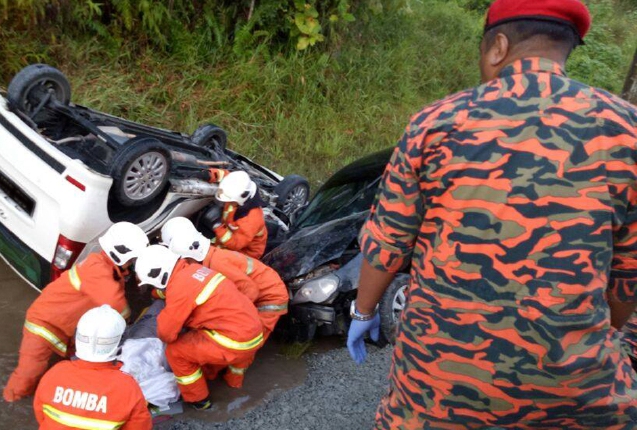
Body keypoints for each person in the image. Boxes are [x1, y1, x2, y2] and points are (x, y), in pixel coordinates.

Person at [346, 0, 637, 427]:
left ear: (498, 47)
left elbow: (387, 242)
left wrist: (364, 312)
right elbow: (626, 278)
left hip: (437, 390)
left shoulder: (435, 123)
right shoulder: (626, 129)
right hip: (578, 398)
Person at [3, 222, 149, 402]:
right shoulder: (99, 270)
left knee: (59, 366)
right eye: (133, 258)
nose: (133, 262)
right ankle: (12, 397)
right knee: (30, 371)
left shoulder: (107, 269)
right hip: (44, 324)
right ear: (121, 255)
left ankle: (38, 391)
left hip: (63, 327)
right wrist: (129, 325)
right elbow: (116, 305)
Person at [161, 217, 289, 386]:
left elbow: (250, 290)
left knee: (249, 340)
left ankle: (234, 381)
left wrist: (233, 316)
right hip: (264, 291)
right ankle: (226, 374)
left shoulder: (217, 263)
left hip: (269, 299)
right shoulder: (210, 254)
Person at [135, 245, 264, 410]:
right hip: (254, 329)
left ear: (159, 276)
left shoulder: (179, 289)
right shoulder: (195, 270)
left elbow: (166, 333)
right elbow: (188, 291)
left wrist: (163, 316)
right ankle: (232, 381)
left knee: (176, 352)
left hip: (235, 341)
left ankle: (199, 401)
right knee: (198, 339)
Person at [33, 305, 152, 430]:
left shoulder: (55, 373)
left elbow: (41, 415)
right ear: (120, 342)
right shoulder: (127, 387)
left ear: (77, 337)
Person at [201, 170, 268, 259]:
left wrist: (217, 225)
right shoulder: (238, 186)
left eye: (230, 201)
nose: (228, 203)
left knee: (213, 259)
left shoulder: (250, 220)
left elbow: (236, 244)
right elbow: (225, 176)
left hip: (244, 252)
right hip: (229, 233)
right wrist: (210, 174)